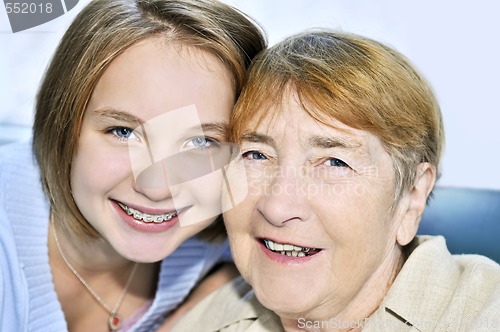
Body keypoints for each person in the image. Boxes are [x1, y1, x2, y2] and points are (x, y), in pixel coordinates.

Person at [171, 30, 500, 331]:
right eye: (256, 155)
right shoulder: (206, 321)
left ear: (412, 196)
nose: (277, 207)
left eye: (334, 162)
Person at [0, 0, 266, 331]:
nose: (157, 187)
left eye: (201, 143)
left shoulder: (230, 233)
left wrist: (214, 292)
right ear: (64, 126)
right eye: (124, 132)